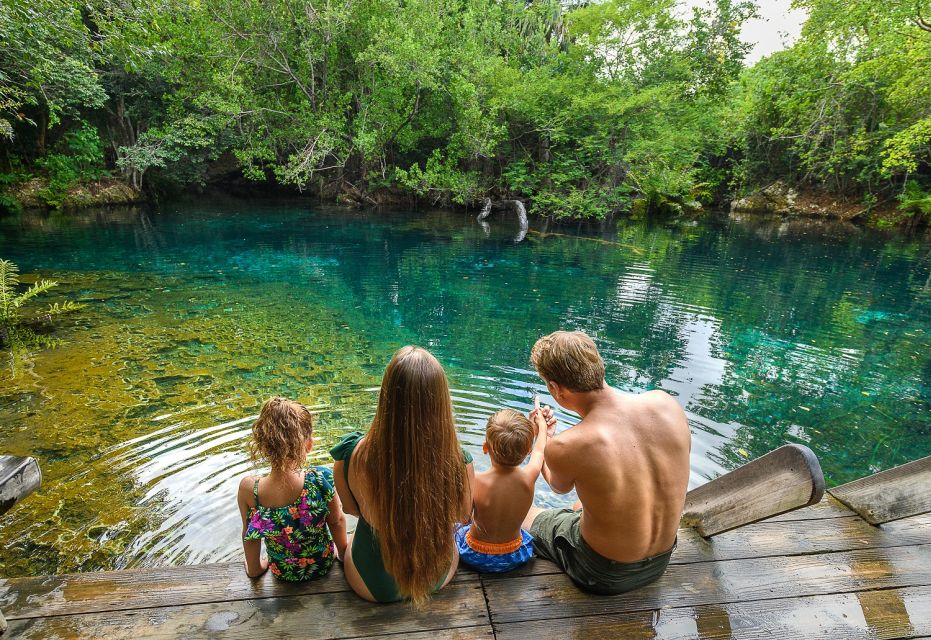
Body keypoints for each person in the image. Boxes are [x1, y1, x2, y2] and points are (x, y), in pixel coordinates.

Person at [522, 330, 690, 594]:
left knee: (530, 514)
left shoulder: (570, 444)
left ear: (554, 388)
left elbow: (558, 486)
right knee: (582, 503)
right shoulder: (665, 404)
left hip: (604, 572)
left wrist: (542, 438)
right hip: (661, 562)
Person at [330, 346, 474, 604]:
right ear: (440, 401)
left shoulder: (350, 456)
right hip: (434, 575)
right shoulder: (457, 461)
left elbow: (351, 510)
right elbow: (462, 516)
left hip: (369, 581)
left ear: (387, 396)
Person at [237, 396, 348, 581]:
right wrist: (343, 554)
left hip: (282, 572)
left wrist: (255, 569)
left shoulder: (250, 490)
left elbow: (250, 535)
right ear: (309, 445)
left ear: (263, 446)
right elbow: (337, 521)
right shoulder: (320, 478)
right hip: (322, 565)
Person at [456, 405, 548, 573]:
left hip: (475, 555)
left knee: (457, 529)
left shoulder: (476, 480)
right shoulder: (529, 477)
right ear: (527, 451)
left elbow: (464, 517)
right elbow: (539, 452)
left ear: (485, 448)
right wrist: (540, 428)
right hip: (513, 555)